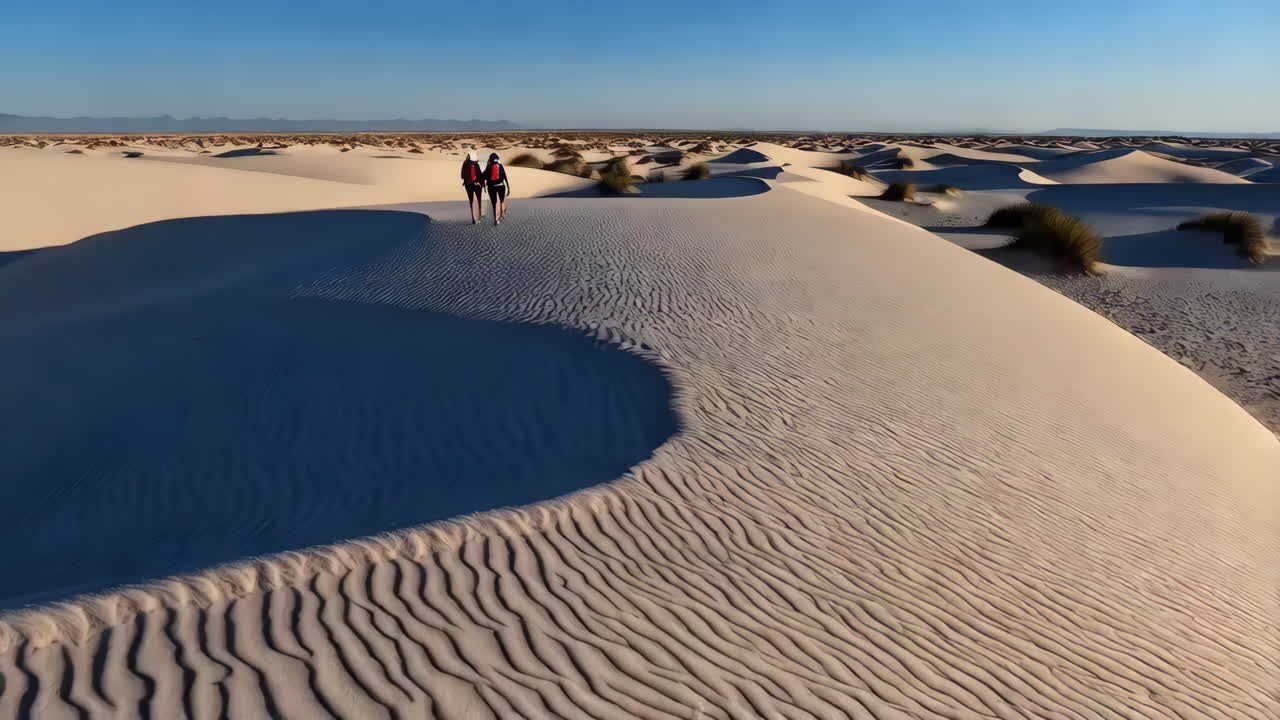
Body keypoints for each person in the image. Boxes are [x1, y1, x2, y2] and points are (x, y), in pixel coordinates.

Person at [483, 153, 510, 225]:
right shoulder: (500, 166)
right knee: (500, 201)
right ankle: (502, 212)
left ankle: (497, 219)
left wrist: (482, 184)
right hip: (501, 186)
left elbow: (484, 176)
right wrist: (508, 188)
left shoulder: (489, 166)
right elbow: (505, 176)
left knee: (494, 203)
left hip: (491, 187)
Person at [460, 151, 484, 223]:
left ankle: (475, 218)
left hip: (469, 184)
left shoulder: (465, 164)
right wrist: (481, 184)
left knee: (472, 201)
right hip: (475, 185)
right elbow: (480, 175)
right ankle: (477, 217)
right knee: (478, 200)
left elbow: (462, 175)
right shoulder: (476, 164)